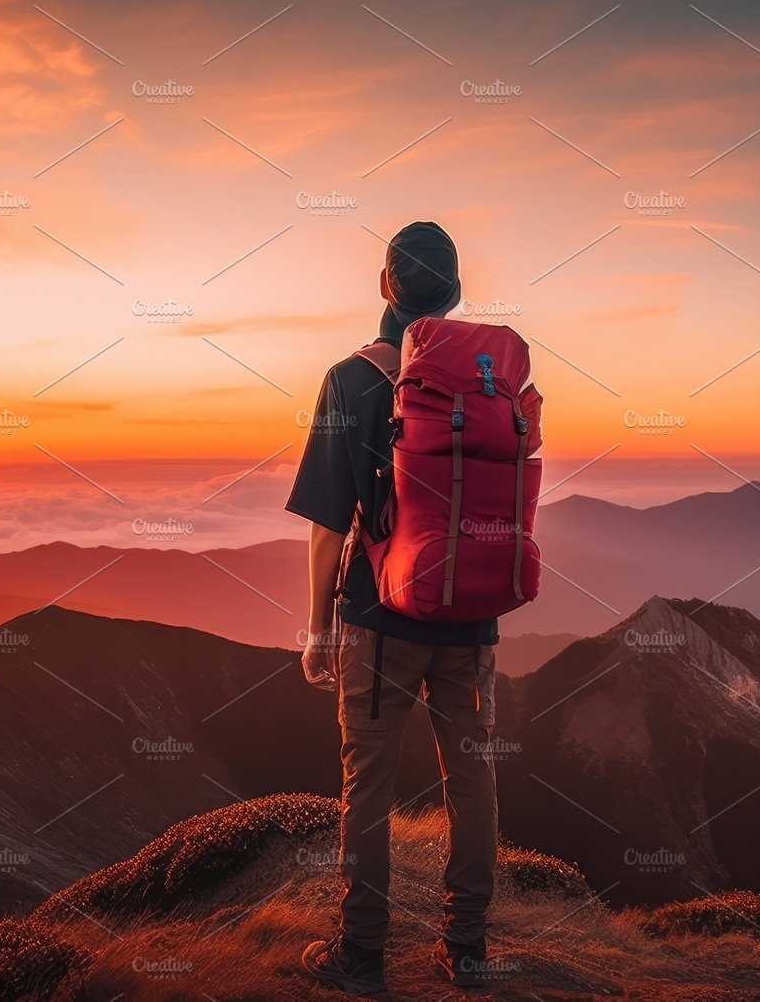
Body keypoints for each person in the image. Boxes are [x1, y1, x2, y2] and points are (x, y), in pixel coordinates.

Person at [287, 221, 499, 994]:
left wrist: (318, 631)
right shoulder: (486, 377)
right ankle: (469, 951)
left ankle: (362, 955)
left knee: (368, 784)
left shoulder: (355, 378)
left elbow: (325, 524)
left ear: (386, 286)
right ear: (457, 293)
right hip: (473, 615)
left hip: (381, 620)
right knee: (472, 779)